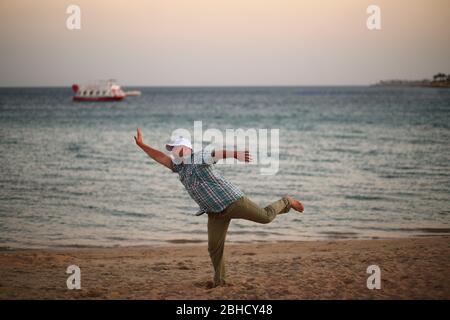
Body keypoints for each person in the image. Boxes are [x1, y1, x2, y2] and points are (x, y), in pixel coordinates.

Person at [134, 128, 304, 287]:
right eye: (171, 149)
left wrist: (235, 154)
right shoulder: (180, 168)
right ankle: (220, 282)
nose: (172, 152)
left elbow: (215, 154)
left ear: (186, 149)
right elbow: (160, 157)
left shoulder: (198, 158)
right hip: (214, 213)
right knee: (214, 247)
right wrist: (142, 145)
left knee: (265, 217)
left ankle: (287, 201)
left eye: (175, 149)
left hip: (233, 201)